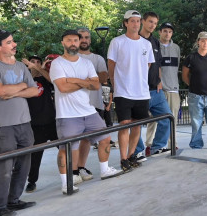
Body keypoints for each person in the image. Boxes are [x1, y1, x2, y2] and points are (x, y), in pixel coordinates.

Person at [50, 30, 120, 193]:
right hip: (67, 115)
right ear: (63, 43)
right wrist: (84, 82)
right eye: (69, 40)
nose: (73, 43)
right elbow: (63, 87)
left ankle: (104, 170)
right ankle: (66, 183)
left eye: (75, 40)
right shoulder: (58, 63)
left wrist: (73, 80)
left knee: (105, 138)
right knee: (67, 148)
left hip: (88, 111)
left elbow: (96, 85)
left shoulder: (87, 63)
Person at [0, 30, 40, 216]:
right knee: (5, 166)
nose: (14, 44)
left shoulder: (21, 67)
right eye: (9, 42)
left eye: (13, 41)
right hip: (3, 125)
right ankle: (0, 208)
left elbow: (34, 91)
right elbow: (1, 91)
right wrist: (22, 86)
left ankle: (14, 200)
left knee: (24, 164)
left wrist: (14, 91)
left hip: (25, 122)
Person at [107, 10, 154, 172]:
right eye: (132, 21)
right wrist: (115, 84)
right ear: (125, 23)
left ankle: (132, 155)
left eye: (138, 21)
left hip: (141, 92)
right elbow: (111, 65)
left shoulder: (146, 44)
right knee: (124, 125)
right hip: (123, 92)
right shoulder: (117, 42)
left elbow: (148, 65)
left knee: (137, 126)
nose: (135, 24)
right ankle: (123, 158)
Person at [132, 12, 173, 159]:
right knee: (136, 123)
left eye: (155, 23)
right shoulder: (135, 40)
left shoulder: (155, 42)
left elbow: (158, 64)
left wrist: (160, 80)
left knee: (168, 118)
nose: (152, 25)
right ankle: (137, 151)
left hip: (156, 90)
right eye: (150, 21)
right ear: (143, 21)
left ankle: (157, 147)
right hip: (139, 91)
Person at [75, 27, 111, 180]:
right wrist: (91, 79)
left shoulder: (97, 58)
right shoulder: (68, 59)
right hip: (74, 105)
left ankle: (80, 167)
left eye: (87, 37)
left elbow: (103, 77)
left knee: (87, 139)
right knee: (74, 139)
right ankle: (73, 171)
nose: (84, 40)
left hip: (94, 103)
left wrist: (79, 80)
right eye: (81, 37)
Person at [22, 55, 58, 193]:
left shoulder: (45, 78)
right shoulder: (25, 80)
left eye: (38, 62)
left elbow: (52, 81)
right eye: (32, 62)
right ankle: (31, 182)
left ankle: (71, 173)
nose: (35, 65)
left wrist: (40, 69)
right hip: (35, 124)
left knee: (64, 149)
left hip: (51, 121)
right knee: (35, 155)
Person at [156, 22, 181, 134]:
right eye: (165, 31)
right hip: (158, 89)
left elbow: (176, 67)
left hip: (173, 89)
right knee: (154, 119)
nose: (167, 34)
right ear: (160, 32)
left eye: (170, 32)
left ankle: (172, 143)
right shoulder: (154, 45)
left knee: (172, 118)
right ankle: (150, 144)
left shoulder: (176, 48)